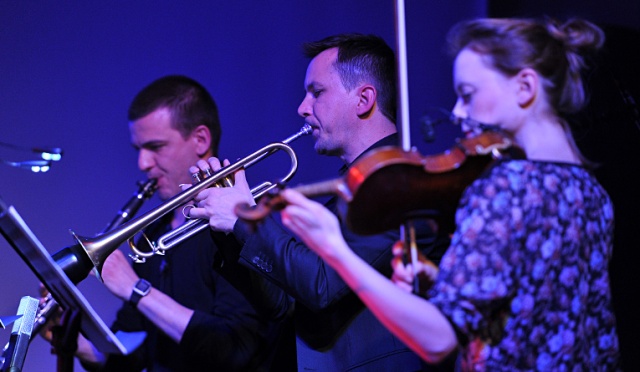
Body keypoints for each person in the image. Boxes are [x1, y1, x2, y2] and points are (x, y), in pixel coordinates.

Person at [277, 18, 621, 371]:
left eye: (468, 94)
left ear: (524, 87)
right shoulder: (589, 189)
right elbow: (536, 305)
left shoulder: (504, 187)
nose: (456, 112)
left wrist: (336, 251)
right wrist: (445, 283)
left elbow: (440, 340)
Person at [187, 34, 450, 371]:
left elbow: (321, 285)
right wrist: (224, 222)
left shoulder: (401, 186)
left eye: (317, 92)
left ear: (364, 99)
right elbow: (282, 303)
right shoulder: (346, 194)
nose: (302, 108)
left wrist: (244, 216)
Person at [43, 75, 292, 371]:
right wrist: (80, 347)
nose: (143, 163)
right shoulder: (154, 234)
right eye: (139, 149)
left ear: (201, 139)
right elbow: (138, 353)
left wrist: (136, 289)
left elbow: (237, 351)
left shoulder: (239, 229)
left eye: (155, 146)